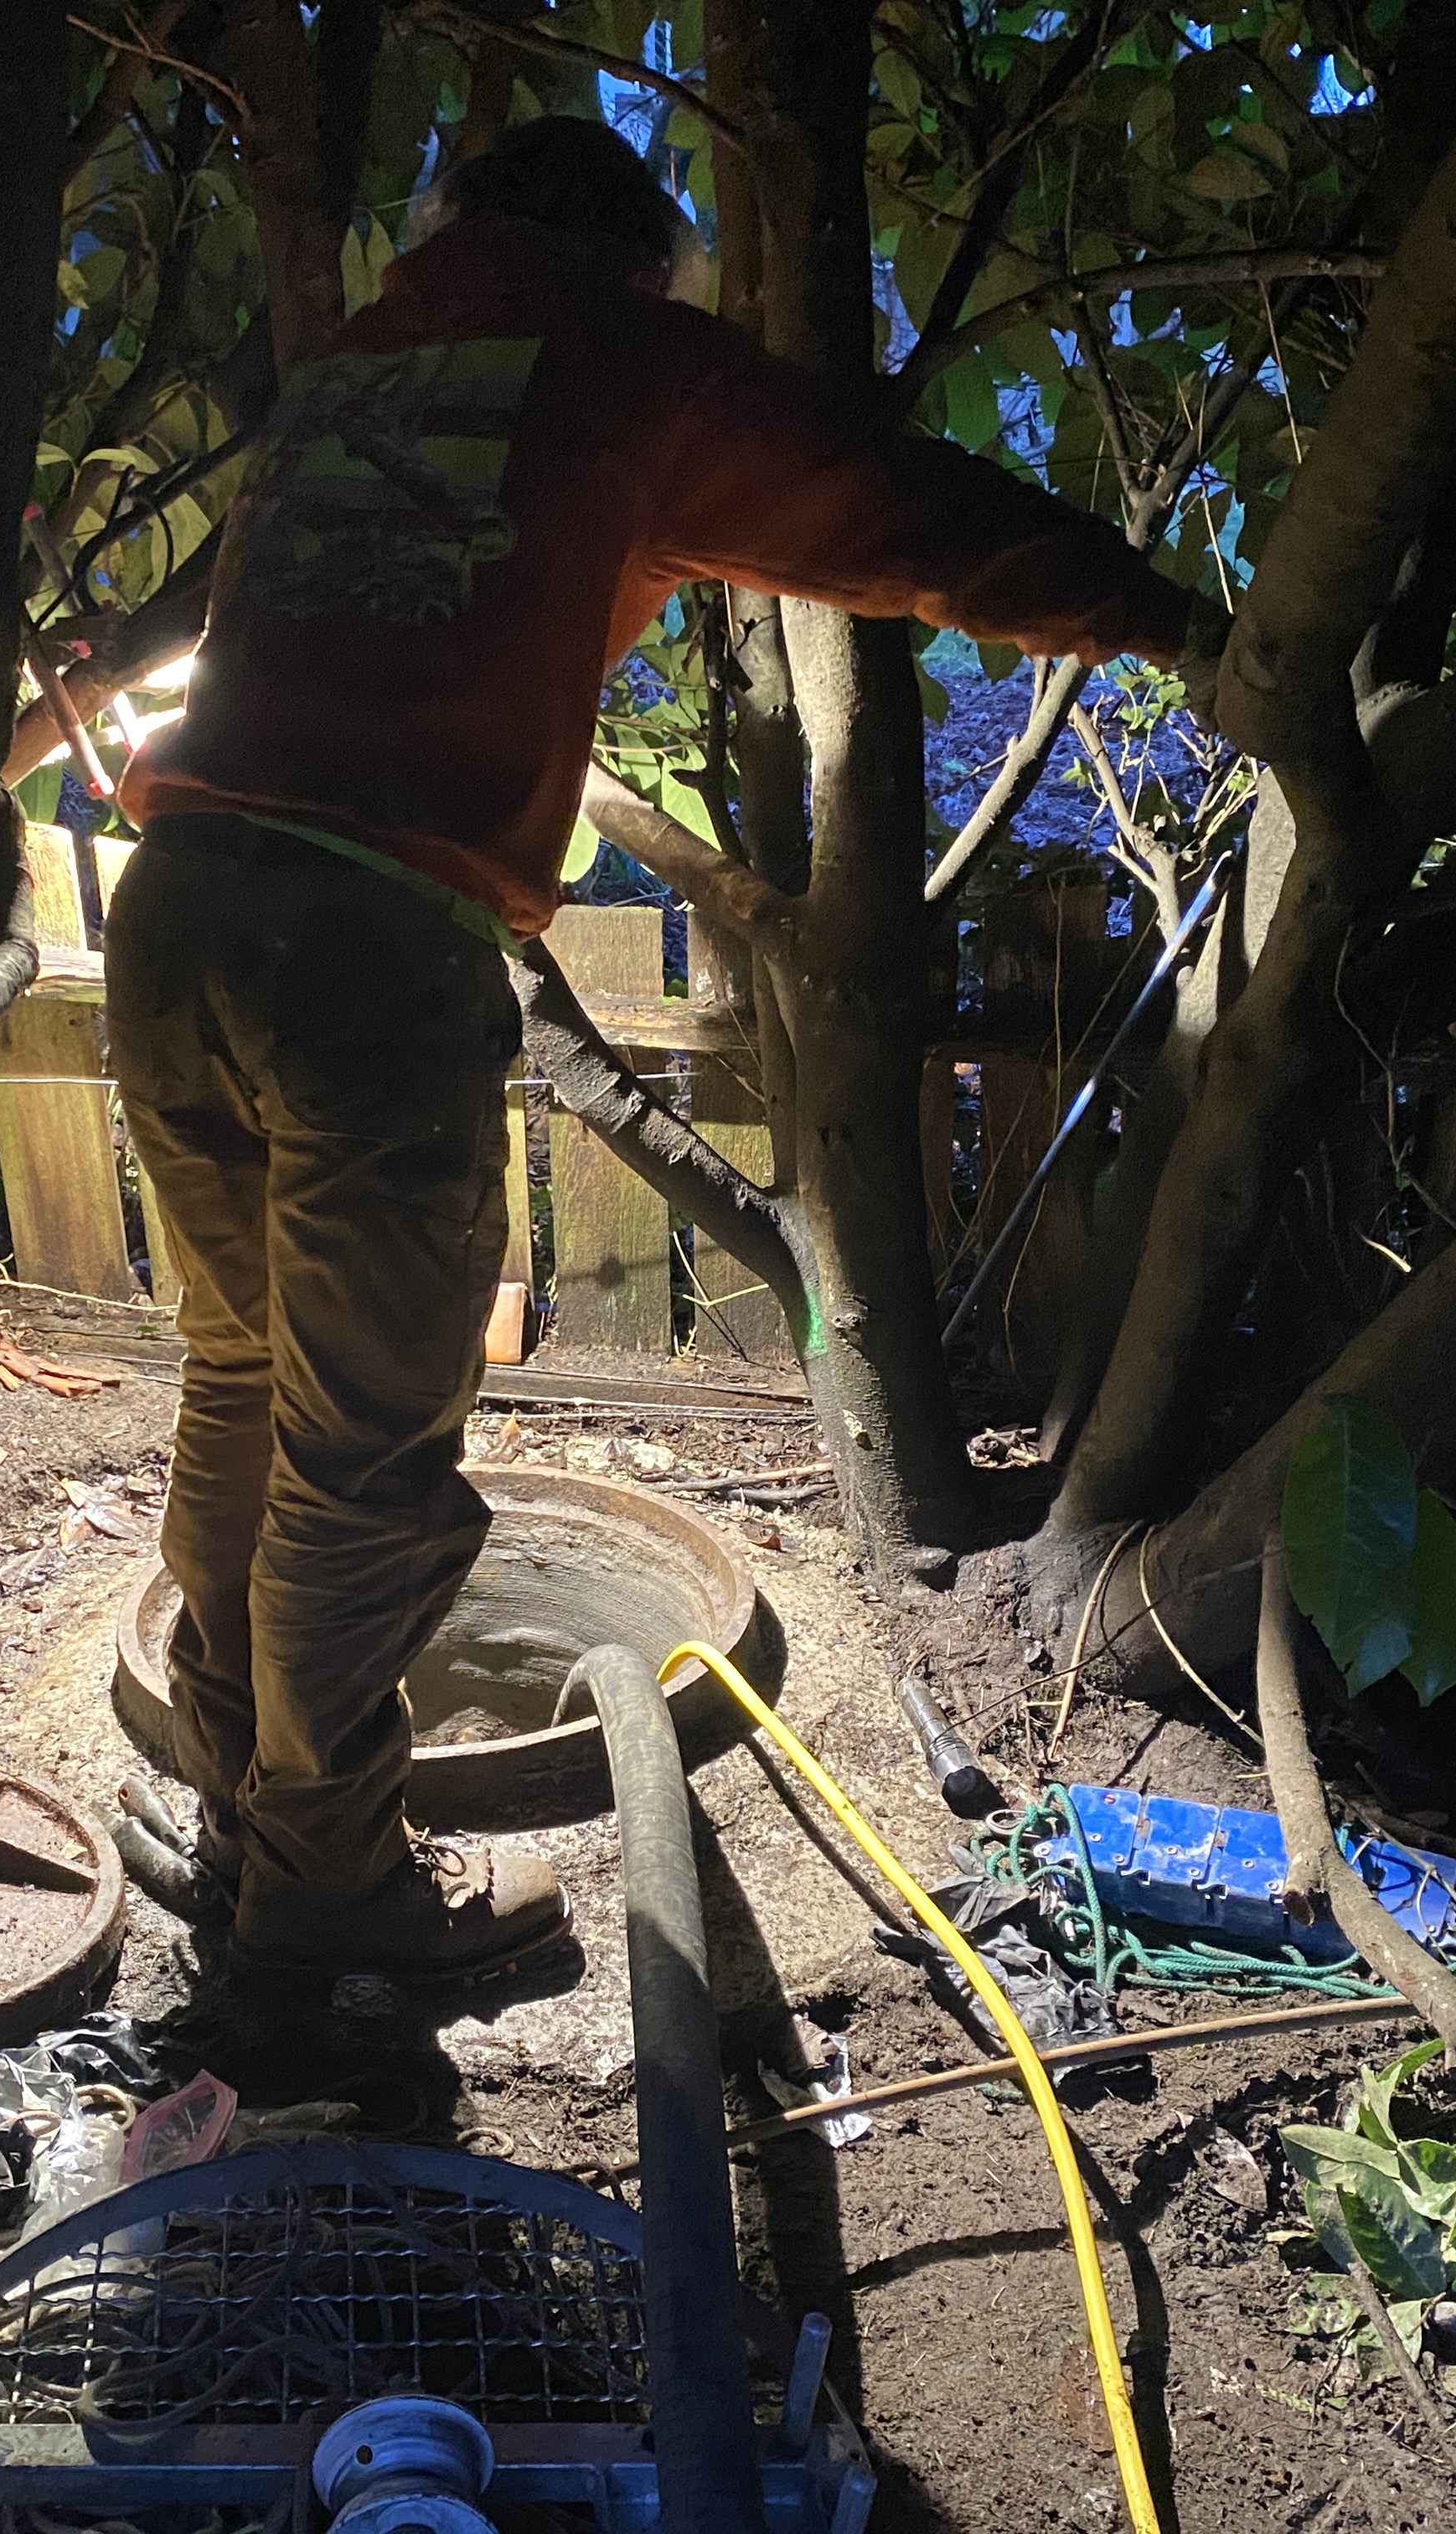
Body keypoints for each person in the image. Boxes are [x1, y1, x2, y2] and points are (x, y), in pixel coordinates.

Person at [105, 115, 1211, 1983]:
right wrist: (1172, 618)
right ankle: (327, 1913)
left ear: (451, 224)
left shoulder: (363, 366)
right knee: (366, 1465)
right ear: (639, 264)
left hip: (180, 903)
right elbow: (903, 513)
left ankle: (247, 1812)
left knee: (239, 1390)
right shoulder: (618, 355)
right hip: (365, 953)